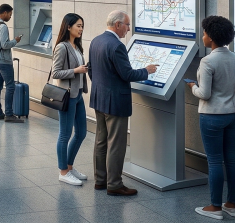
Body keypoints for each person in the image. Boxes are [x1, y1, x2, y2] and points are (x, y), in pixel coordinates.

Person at [89, 10, 157, 196]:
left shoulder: (96, 40)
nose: (128, 28)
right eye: (127, 25)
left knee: (101, 142)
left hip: (99, 99)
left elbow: (91, 71)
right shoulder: (116, 46)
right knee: (116, 144)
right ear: (117, 24)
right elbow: (127, 74)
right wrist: (147, 70)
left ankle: (100, 181)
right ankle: (115, 184)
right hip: (115, 103)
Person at [188, 16, 235, 220]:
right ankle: (231, 204)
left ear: (210, 37)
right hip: (234, 114)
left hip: (212, 117)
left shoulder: (208, 61)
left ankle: (215, 207)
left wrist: (192, 86)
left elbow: (205, 94)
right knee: (231, 158)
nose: (202, 37)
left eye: (204, 33)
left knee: (214, 161)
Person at [51, 13, 90, 186]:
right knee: (65, 134)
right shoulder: (62, 47)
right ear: (68, 27)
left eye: (82, 26)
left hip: (78, 94)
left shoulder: (76, 46)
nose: (81, 29)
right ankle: (63, 172)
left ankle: (70, 166)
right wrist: (76, 71)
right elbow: (56, 72)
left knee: (81, 133)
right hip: (67, 95)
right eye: (78, 26)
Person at [0, 4, 22, 122]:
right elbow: (4, 45)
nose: (10, 16)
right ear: (4, 13)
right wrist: (15, 41)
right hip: (4, 61)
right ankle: (9, 114)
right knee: (10, 86)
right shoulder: (3, 27)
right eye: (9, 14)